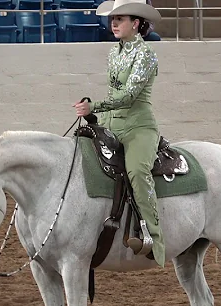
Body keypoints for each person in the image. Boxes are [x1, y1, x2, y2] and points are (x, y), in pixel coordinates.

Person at [72, 0, 165, 267]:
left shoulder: (146, 54)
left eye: (120, 19)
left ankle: (153, 238)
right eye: (112, 19)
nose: (113, 23)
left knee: (137, 171)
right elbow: (116, 93)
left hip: (139, 127)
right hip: (113, 124)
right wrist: (95, 116)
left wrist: (95, 106)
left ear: (135, 24)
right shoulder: (114, 52)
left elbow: (128, 96)